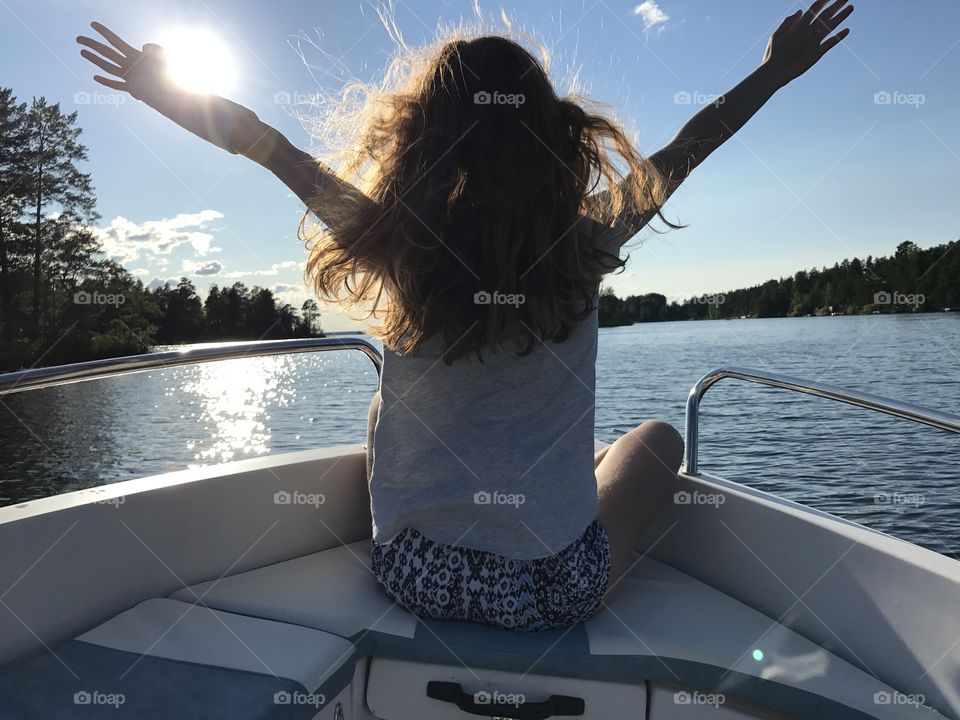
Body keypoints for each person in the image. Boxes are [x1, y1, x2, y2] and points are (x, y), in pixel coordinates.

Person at [77, 0, 854, 632]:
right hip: (555, 593)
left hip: (411, 577)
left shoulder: (395, 243)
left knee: (389, 400)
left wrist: (161, 88)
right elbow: (692, 144)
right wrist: (774, 74)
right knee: (655, 439)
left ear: (422, 140)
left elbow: (270, 148)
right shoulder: (586, 240)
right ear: (552, 137)